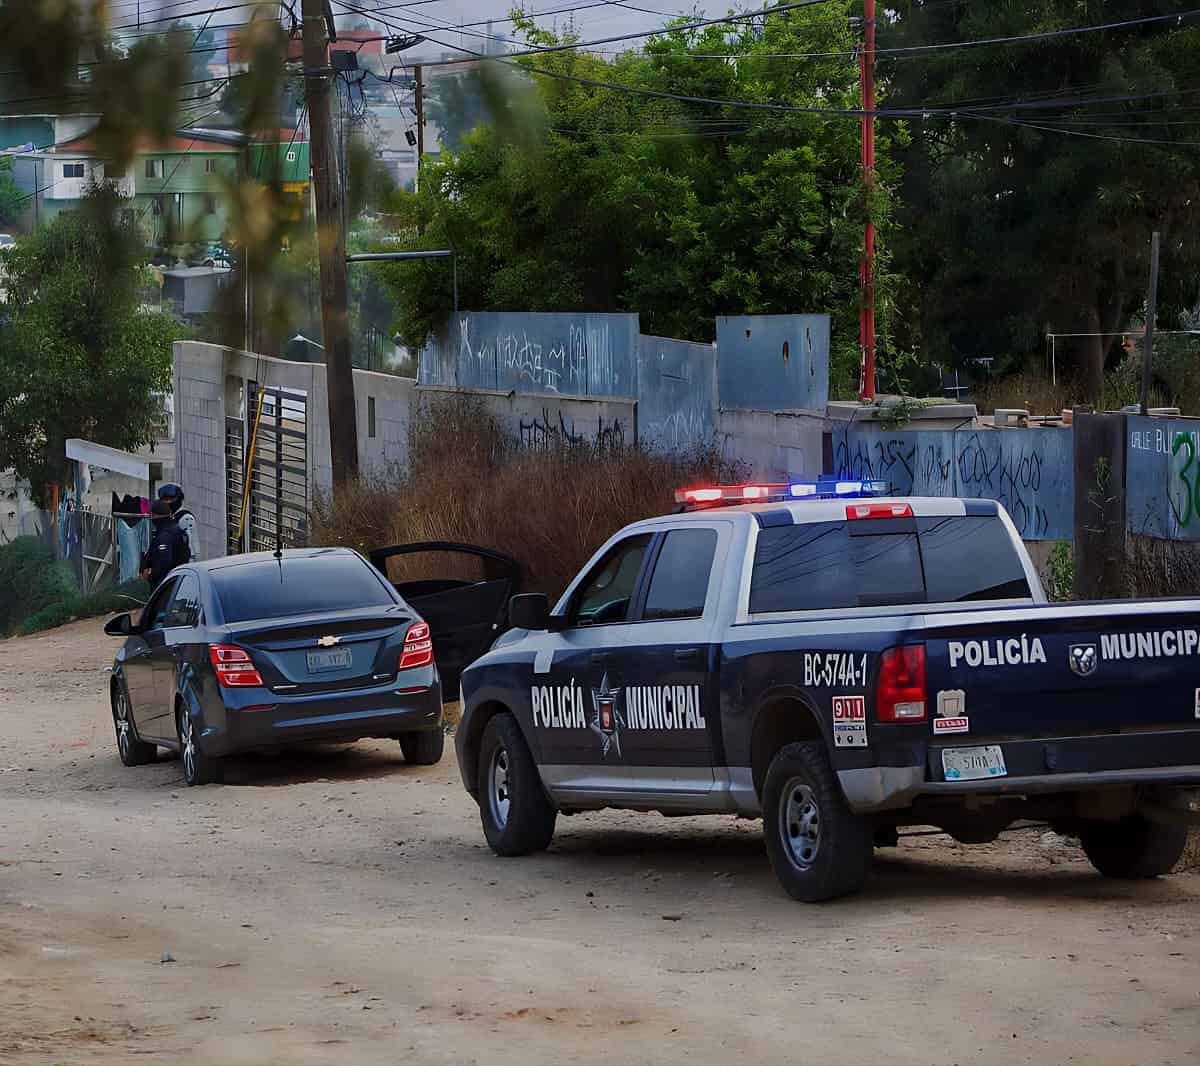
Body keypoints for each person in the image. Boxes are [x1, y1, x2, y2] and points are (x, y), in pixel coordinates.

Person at [139, 500, 191, 587]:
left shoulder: (165, 535)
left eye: (152, 515)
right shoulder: (177, 530)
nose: (151, 518)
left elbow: (163, 563)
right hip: (178, 581)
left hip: (166, 585)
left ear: (154, 515)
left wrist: (150, 576)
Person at [157, 482, 199, 561]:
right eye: (165, 499)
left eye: (171, 499)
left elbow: (191, 548)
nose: (168, 502)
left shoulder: (186, 518)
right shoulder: (168, 518)